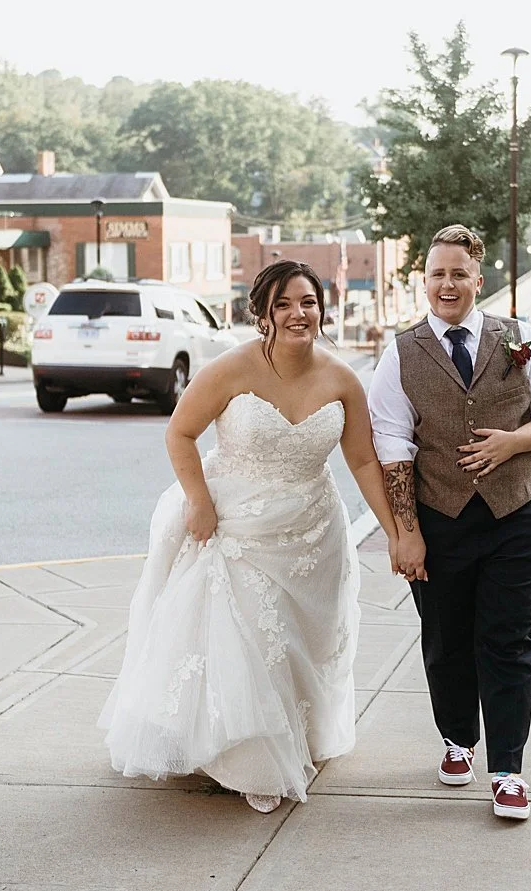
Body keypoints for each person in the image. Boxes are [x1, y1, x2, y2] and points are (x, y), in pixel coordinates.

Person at [99, 260, 404, 814]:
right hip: (235, 526)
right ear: (261, 312)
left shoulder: (342, 379)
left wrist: (397, 534)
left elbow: (361, 461)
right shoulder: (229, 369)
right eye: (283, 304)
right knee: (246, 641)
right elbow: (181, 432)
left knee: (296, 645)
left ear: (322, 309)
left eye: (307, 302)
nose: (297, 314)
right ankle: (245, 757)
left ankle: (291, 738)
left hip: (314, 533)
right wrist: (199, 500)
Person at [369, 225, 531, 821]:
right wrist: (405, 531)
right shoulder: (402, 353)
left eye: (459, 273)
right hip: (441, 519)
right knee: (446, 638)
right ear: (425, 282)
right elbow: (391, 440)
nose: (448, 283)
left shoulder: (519, 337)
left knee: (509, 640)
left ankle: (508, 770)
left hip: (519, 512)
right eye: (437, 273)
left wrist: (515, 441)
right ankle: (458, 740)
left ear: (478, 280)